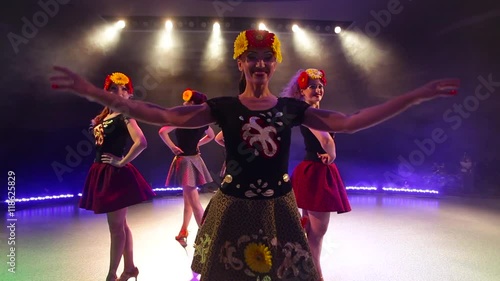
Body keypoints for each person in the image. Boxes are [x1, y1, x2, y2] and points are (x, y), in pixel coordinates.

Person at [50, 29, 459, 281]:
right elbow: (163, 115)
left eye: (267, 58)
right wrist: (92, 92)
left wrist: (414, 96)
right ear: (241, 62)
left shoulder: (292, 109)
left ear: (274, 62)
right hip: (231, 206)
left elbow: (350, 121)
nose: (260, 64)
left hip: (279, 206)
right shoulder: (225, 107)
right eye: (252, 58)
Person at [79, 72, 156, 281]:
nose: (118, 93)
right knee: (120, 226)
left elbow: (141, 141)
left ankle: (111, 275)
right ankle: (129, 268)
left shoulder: (125, 115)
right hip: (102, 172)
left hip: (115, 175)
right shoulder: (103, 117)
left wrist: (121, 162)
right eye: (113, 88)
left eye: (123, 89)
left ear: (129, 95)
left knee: (116, 228)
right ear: (106, 92)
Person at [281, 68, 351, 279]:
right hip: (316, 173)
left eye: (320, 86)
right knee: (316, 235)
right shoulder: (309, 113)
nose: (318, 89)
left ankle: (298, 270)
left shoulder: (313, 112)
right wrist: (331, 155)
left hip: (312, 172)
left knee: (310, 231)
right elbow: (327, 141)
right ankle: (316, 277)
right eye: (312, 86)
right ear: (301, 91)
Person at [158, 89, 214, 248]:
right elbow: (210, 135)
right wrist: (197, 143)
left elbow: (162, 131)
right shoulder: (201, 121)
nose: (184, 103)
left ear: (194, 104)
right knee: (189, 201)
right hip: (194, 159)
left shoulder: (182, 119)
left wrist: (172, 147)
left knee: (194, 203)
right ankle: (184, 230)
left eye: (188, 102)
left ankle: (206, 240)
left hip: (186, 162)